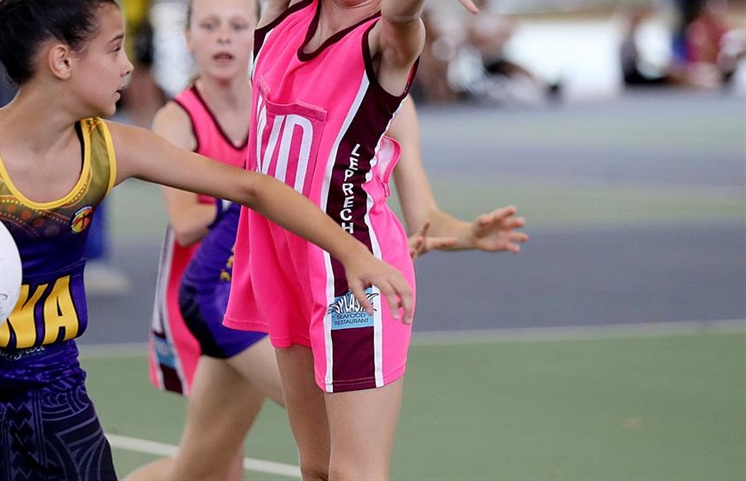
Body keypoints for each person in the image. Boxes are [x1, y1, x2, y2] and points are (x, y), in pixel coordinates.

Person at [0, 0, 413, 481]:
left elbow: (254, 187)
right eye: (114, 49)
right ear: (62, 61)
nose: (127, 66)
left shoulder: (111, 150)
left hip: (54, 379)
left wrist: (351, 251)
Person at [223, 0, 492, 479]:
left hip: (353, 274)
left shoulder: (385, 41)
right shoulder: (287, 6)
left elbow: (402, 15)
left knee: (354, 471)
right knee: (315, 466)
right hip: (278, 257)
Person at [129, 95, 529, 481]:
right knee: (342, 457)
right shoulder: (288, 59)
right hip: (233, 282)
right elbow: (230, 204)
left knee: (204, 470)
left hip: (325, 280)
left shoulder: (397, 102)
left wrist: (467, 233)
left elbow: (424, 217)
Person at [145, 0, 258, 397]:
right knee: (213, 460)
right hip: (197, 299)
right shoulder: (177, 120)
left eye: (238, 25)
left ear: (258, 34)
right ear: (188, 37)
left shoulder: (275, 111)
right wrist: (256, 198)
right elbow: (186, 220)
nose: (223, 37)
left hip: (258, 291)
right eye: (209, 26)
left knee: (210, 459)